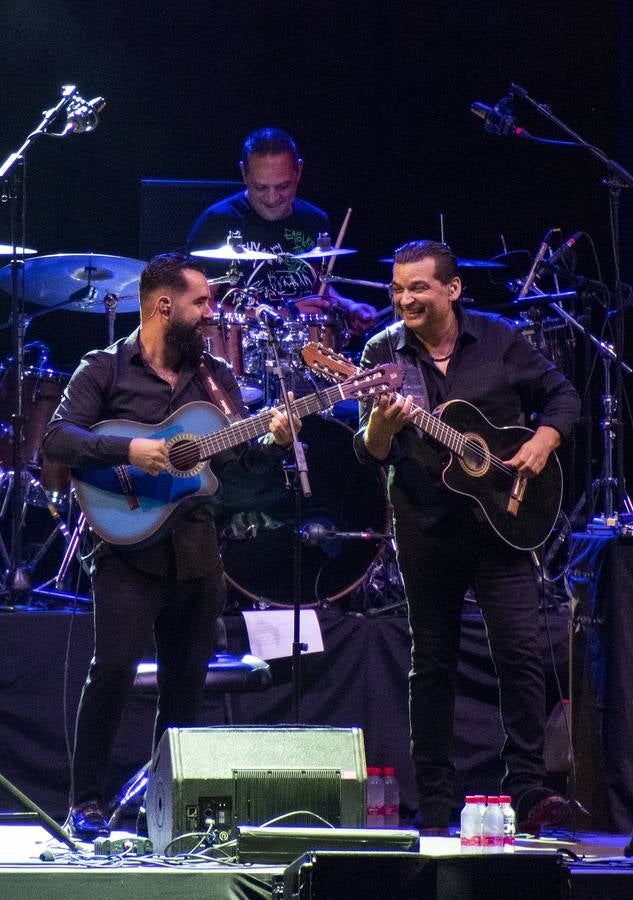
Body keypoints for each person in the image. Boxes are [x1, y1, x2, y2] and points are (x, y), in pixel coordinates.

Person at [42, 253, 298, 840]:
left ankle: (169, 807)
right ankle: (86, 804)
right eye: (201, 303)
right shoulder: (104, 368)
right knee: (112, 673)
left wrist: (275, 438)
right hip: (126, 549)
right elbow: (58, 437)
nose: (211, 315)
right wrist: (130, 451)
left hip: (195, 546)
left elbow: (240, 458)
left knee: (186, 685)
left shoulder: (214, 377)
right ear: (164, 305)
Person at [353, 240, 581, 835]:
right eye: (398, 289)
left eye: (419, 288)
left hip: (504, 524)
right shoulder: (383, 354)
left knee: (521, 656)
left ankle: (528, 792)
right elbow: (372, 452)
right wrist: (381, 422)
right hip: (426, 527)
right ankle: (435, 802)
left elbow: (562, 395)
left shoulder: (499, 338)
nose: (406, 299)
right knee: (432, 665)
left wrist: (543, 440)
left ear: (452, 289)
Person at [187, 127, 377, 336]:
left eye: (283, 186)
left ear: (299, 171)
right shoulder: (217, 222)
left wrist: (348, 307)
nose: (272, 198)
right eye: (261, 188)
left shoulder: (314, 220)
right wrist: (283, 315)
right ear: (244, 173)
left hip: (308, 354)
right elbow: (198, 307)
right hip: (243, 353)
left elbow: (317, 287)